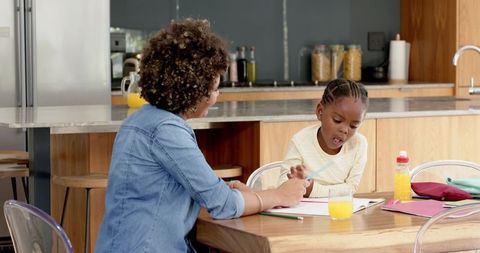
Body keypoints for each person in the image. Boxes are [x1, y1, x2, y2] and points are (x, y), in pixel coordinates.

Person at [94, 19, 308, 253]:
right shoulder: (168, 130)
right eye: (215, 88)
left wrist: (234, 190)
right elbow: (222, 205)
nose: (217, 96)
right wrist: (280, 195)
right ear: (194, 91)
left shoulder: (138, 120)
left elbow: (168, 187)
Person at [282, 79, 369, 198]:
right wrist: (295, 183)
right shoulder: (300, 142)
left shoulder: (359, 144)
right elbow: (283, 185)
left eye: (353, 126)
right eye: (337, 120)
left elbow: (351, 188)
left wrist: (312, 189)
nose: (345, 130)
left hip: (340, 212)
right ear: (320, 111)